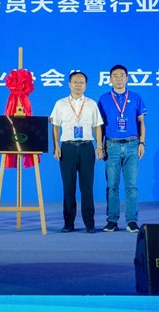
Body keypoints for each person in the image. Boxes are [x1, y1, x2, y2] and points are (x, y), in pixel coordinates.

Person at [50, 71, 104, 233]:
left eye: (81, 83)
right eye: (75, 82)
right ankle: (68, 223)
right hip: (67, 148)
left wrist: (99, 146)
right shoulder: (60, 103)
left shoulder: (91, 104)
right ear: (69, 84)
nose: (78, 85)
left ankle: (90, 223)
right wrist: (56, 146)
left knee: (87, 188)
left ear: (85, 86)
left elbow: (97, 126)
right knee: (68, 188)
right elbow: (55, 126)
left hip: (87, 148)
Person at [98, 65, 147, 233]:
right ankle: (112, 220)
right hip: (111, 146)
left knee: (131, 186)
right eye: (115, 75)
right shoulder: (104, 99)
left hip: (132, 145)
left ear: (127, 78)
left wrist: (142, 143)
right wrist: (100, 146)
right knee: (112, 186)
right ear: (110, 79)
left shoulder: (136, 97)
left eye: (122, 75)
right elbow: (99, 125)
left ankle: (132, 221)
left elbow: (141, 122)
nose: (118, 78)